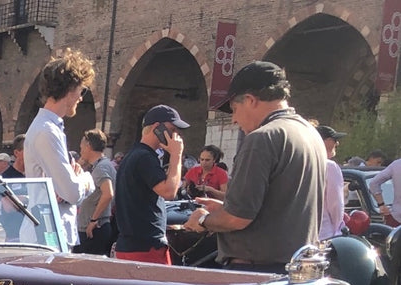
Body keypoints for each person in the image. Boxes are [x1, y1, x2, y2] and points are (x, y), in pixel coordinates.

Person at [182, 61, 325, 270]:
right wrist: (226, 208)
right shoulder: (310, 134)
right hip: (297, 269)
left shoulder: (262, 138)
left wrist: (203, 220)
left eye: (234, 109)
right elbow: (280, 207)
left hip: (256, 270)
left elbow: (237, 218)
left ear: (250, 100)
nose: (234, 119)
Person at [24, 48, 96, 245]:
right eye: (82, 91)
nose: (81, 98)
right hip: (48, 235)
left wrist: (67, 186)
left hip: (52, 231)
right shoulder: (47, 131)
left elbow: (65, 192)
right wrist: (86, 179)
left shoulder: (49, 128)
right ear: (70, 89)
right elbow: (71, 192)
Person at [112, 105, 187, 265]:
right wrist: (176, 155)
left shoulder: (133, 154)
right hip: (146, 247)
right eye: (172, 129)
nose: (176, 135)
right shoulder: (145, 157)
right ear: (156, 127)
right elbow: (169, 191)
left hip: (132, 244)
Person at [76, 129, 116, 255]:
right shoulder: (104, 165)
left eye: (82, 146)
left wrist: (93, 220)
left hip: (93, 229)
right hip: (96, 227)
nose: (81, 150)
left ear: (88, 146)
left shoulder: (101, 167)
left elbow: (108, 194)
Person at [316, 124, 346, 240]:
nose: (337, 143)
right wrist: (337, 229)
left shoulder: (301, 163)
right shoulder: (330, 166)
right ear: (324, 141)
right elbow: (336, 204)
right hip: (325, 232)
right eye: (334, 140)